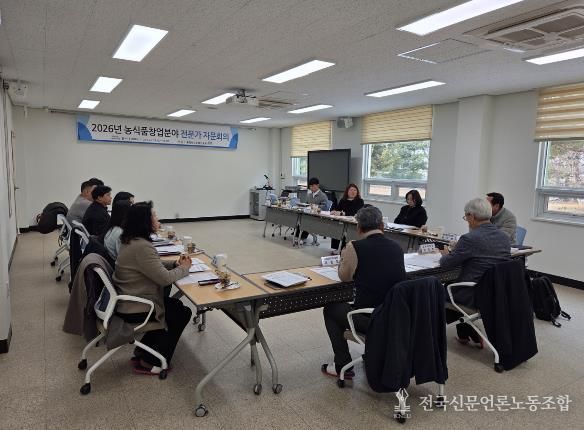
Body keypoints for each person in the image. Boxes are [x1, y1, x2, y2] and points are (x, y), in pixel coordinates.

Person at [321, 206, 406, 379]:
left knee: (330, 309)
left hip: (371, 319)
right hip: (395, 316)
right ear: (382, 226)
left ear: (358, 227)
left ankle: (342, 364)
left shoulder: (355, 247)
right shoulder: (397, 247)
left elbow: (344, 277)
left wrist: (344, 257)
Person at [113, 201, 192, 375]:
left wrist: (174, 264)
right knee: (181, 313)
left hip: (130, 297)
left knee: (176, 307)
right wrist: (184, 268)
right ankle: (151, 361)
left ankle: (144, 351)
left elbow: (151, 265)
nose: (158, 219)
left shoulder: (131, 240)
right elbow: (165, 279)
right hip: (136, 305)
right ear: (145, 221)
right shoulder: (142, 246)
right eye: (154, 216)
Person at [439, 197, 511, 347]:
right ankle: (466, 332)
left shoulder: (470, 238)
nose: (466, 220)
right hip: (496, 293)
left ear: (472, 216)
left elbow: (446, 264)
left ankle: (434, 335)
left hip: (474, 294)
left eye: (466, 217)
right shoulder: (504, 237)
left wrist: (446, 253)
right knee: (452, 286)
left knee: (436, 289)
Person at [330, 183, 364, 252]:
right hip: (342, 221)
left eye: (355, 190)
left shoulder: (360, 201)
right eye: (351, 190)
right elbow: (338, 209)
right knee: (336, 227)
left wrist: (342, 213)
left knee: (346, 231)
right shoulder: (343, 200)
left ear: (357, 192)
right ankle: (337, 248)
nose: (353, 192)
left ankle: (345, 249)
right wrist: (334, 211)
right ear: (347, 191)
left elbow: (355, 213)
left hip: (353, 223)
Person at [295, 177, 329, 243]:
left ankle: (302, 237)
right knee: (300, 217)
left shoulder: (323, 195)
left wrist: (315, 206)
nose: (311, 188)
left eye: (313, 186)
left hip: (317, 216)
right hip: (309, 214)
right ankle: (298, 236)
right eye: (310, 186)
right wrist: (303, 206)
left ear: (317, 185)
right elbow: (306, 204)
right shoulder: (309, 195)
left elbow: (325, 207)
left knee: (305, 220)